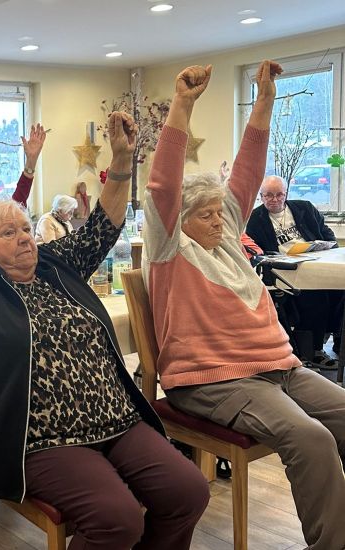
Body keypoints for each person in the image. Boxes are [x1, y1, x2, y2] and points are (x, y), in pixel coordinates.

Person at [0, 114, 209, 550]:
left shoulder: (56, 265)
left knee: (189, 491)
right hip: (36, 437)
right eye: (8, 233)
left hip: (114, 417)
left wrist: (121, 161)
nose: (25, 238)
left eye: (25, 229)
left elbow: (102, 227)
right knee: (117, 519)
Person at [143, 59, 345, 550]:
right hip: (213, 378)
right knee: (311, 438)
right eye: (205, 215)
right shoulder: (169, 248)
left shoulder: (228, 240)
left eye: (221, 212)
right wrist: (182, 105)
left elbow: (249, 170)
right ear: (178, 220)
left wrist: (265, 99)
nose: (218, 221)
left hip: (277, 367)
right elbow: (163, 186)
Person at [246, 174, 343, 363]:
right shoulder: (255, 219)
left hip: (317, 261)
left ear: (286, 194)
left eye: (279, 195)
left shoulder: (305, 208)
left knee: (340, 290)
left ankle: (339, 343)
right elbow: (258, 252)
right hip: (287, 271)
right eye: (268, 195)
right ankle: (314, 349)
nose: (274, 200)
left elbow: (328, 235)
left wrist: (325, 247)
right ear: (261, 196)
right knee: (316, 297)